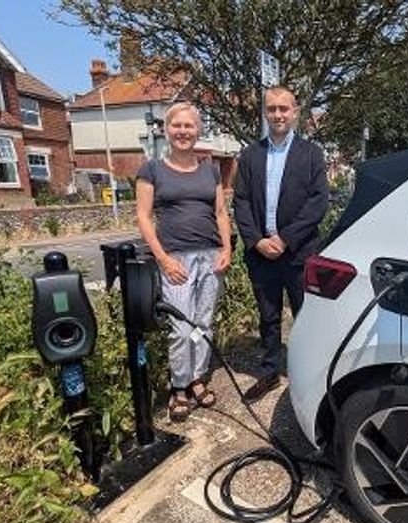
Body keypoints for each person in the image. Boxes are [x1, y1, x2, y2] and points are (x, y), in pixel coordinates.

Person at [135, 102, 232, 421]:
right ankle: (178, 387)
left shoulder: (211, 169)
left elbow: (220, 213)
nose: (183, 131)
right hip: (175, 258)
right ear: (167, 129)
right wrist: (163, 259)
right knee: (180, 327)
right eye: (177, 125)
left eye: (189, 126)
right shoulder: (152, 169)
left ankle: (197, 379)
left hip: (210, 257)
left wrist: (227, 248)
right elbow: (144, 217)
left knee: (203, 323)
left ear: (198, 130)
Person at [233, 85, 329, 404]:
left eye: (283, 109)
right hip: (261, 255)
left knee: (305, 315)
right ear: (265, 112)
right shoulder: (250, 155)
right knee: (268, 316)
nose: (277, 115)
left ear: (295, 112)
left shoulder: (312, 153)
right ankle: (270, 370)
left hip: (299, 253)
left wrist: (285, 239)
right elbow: (242, 201)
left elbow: (318, 203)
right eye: (271, 109)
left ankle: (307, 374)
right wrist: (256, 240)